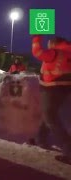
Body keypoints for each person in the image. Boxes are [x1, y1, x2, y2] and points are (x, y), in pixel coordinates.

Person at [30, 35, 71, 164]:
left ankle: (69, 151)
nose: (48, 46)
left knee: (50, 117)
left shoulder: (56, 52)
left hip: (52, 87)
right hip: (64, 88)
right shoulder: (68, 51)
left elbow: (38, 52)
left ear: (54, 43)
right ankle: (40, 139)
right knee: (49, 114)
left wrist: (37, 37)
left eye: (49, 44)